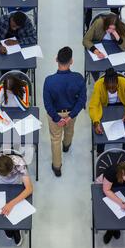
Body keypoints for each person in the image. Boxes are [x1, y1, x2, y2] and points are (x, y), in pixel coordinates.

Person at [43, 47, 87, 177]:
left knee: (55, 139)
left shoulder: (49, 81)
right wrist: (70, 116)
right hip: (71, 113)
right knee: (69, 131)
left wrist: (57, 118)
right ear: (71, 61)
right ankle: (66, 146)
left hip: (54, 115)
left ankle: (57, 167)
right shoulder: (78, 78)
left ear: (56, 59)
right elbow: (82, 100)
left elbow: (48, 104)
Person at [0, 151, 33, 246]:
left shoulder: (19, 164)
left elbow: (29, 188)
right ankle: (7, 229)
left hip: (15, 186)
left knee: (14, 211)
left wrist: (11, 204)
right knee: (0, 211)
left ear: (11, 169)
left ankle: (16, 230)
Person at [89, 68, 125, 156]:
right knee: (101, 130)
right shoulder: (98, 85)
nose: (111, 89)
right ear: (104, 83)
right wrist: (96, 122)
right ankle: (100, 152)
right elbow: (93, 105)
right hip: (105, 108)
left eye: (114, 87)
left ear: (117, 82)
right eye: (108, 87)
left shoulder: (124, 83)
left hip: (122, 106)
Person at [83, 13, 125, 81]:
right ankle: (98, 81)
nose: (110, 30)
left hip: (113, 52)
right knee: (94, 68)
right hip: (100, 49)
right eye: (109, 28)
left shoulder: (121, 27)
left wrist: (117, 36)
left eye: (113, 29)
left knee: (116, 70)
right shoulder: (98, 23)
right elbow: (85, 40)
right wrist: (96, 51)